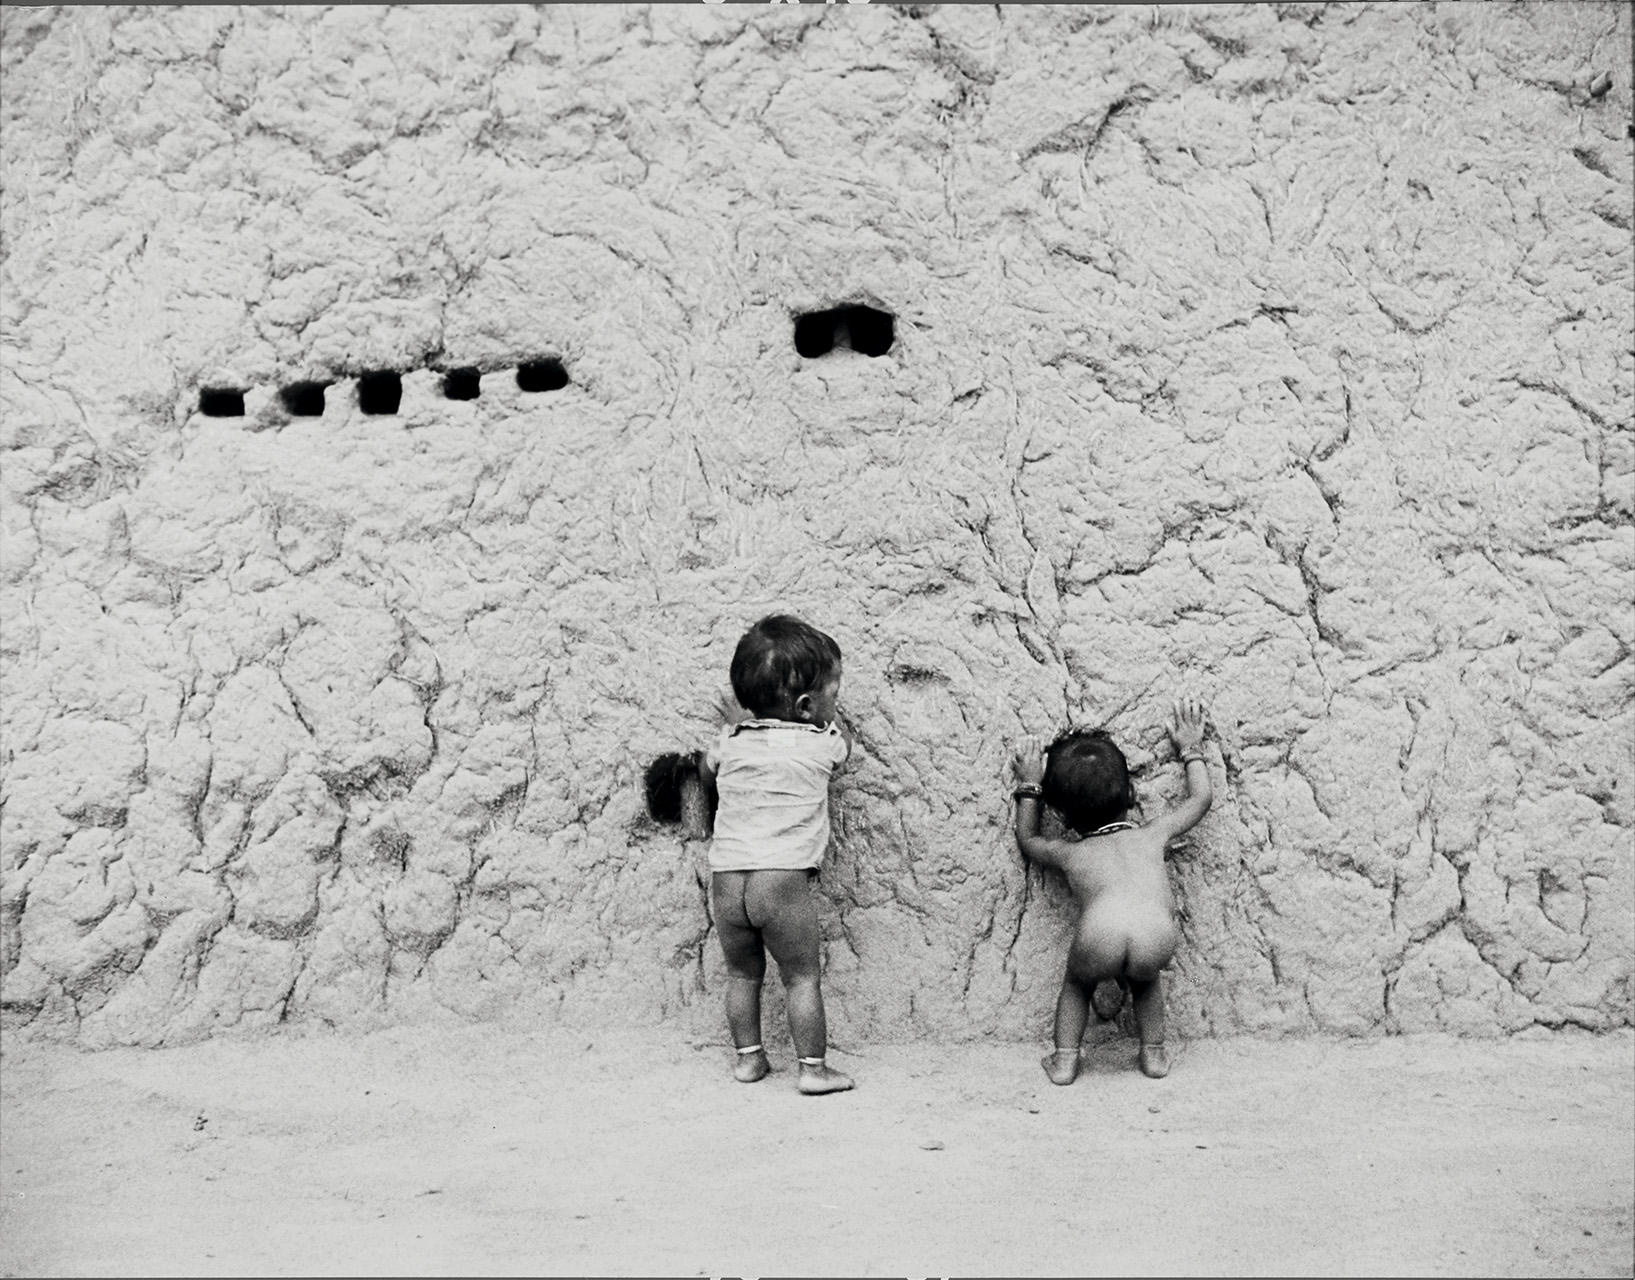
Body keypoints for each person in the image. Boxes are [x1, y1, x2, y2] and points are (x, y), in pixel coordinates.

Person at [1011, 698, 1212, 1083]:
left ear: (1062, 816)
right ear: (1132, 795)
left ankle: (1065, 1059)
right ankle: (1153, 1055)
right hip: (1155, 932)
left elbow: (1028, 838)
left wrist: (1030, 784)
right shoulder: (1153, 835)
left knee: (1078, 984)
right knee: (1146, 980)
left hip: (1099, 933)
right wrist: (1190, 747)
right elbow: (1201, 799)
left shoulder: (1071, 853)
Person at [697, 614, 855, 1095]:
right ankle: (812, 1069)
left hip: (727, 879)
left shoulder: (731, 741)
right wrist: (832, 719)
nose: (836, 702)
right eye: (834, 692)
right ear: (808, 707)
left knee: (742, 975)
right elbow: (846, 745)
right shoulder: (820, 742)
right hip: (780, 879)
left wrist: (735, 726)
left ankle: (748, 1061)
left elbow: (708, 775)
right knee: (802, 976)